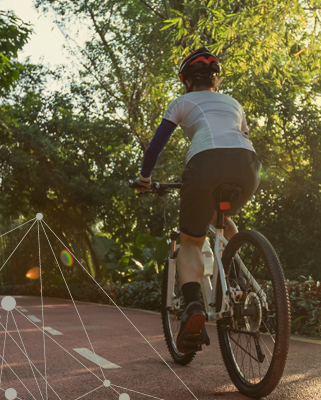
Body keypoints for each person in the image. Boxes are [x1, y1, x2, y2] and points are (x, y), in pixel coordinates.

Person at [132, 47, 261, 353]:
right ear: (215, 81)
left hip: (205, 165)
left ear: (186, 81)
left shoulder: (182, 102)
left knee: (190, 240)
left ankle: (193, 307)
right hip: (248, 167)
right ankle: (241, 279)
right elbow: (241, 137)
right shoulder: (233, 103)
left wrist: (145, 179)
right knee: (221, 215)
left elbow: (154, 148)